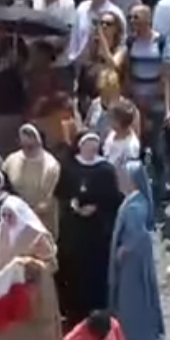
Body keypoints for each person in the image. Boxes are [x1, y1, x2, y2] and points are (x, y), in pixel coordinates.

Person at [0, 196, 61, 340]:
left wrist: (31, 265)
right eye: (4, 215)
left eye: (11, 215)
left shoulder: (36, 234)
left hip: (34, 290)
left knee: (34, 330)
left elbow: (52, 264)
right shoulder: (1, 232)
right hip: (7, 290)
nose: (7, 219)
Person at [56, 133, 122, 325]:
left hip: (97, 230)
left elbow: (114, 200)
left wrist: (97, 208)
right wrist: (73, 205)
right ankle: (74, 310)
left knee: (95, 271)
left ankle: (98, 310)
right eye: (88, 144)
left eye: (95, 144)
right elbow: (61, 193)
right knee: (74, 270)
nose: (91, 148)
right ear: (79, 146)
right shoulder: (69, 166)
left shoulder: (105, 170)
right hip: (74, 229)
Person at [108, 160, 164, 340]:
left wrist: (124, 249)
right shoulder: (136, 200)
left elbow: (137, 233)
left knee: (132, 298)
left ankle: (135, 337)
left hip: (133, 261)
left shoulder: (134, 206)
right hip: (138, 257)